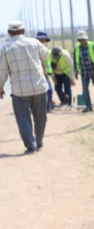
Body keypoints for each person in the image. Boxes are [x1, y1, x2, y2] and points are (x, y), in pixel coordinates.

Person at [0, 20, 48, 154]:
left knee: (23, 119)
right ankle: (38, 142)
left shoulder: (5, 48)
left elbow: (2, 70)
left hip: (19, 91)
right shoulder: (34, 42)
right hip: (39, 87)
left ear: (9, 33)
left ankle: (31, 146)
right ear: (23, 31)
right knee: (40, 117)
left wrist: (0, 87)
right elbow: (46, 55)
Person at [73, 30, 94, 113]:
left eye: (83, 39)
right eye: (80, 40)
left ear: (85, 39)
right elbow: (75, 61)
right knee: (85, 90)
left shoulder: (92, 46)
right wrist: (75, 72)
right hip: (84, 72)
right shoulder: (77, 49)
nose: (81, 41)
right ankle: (88, 106)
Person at [35, 31, 54, 111]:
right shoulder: (37, 48)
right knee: (48, 90)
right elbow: (41, 60)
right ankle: (47, 107)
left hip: (45, 72)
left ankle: (47, 106)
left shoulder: (41, 47)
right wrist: (44, 71)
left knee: (46, 90)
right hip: (42, 73)